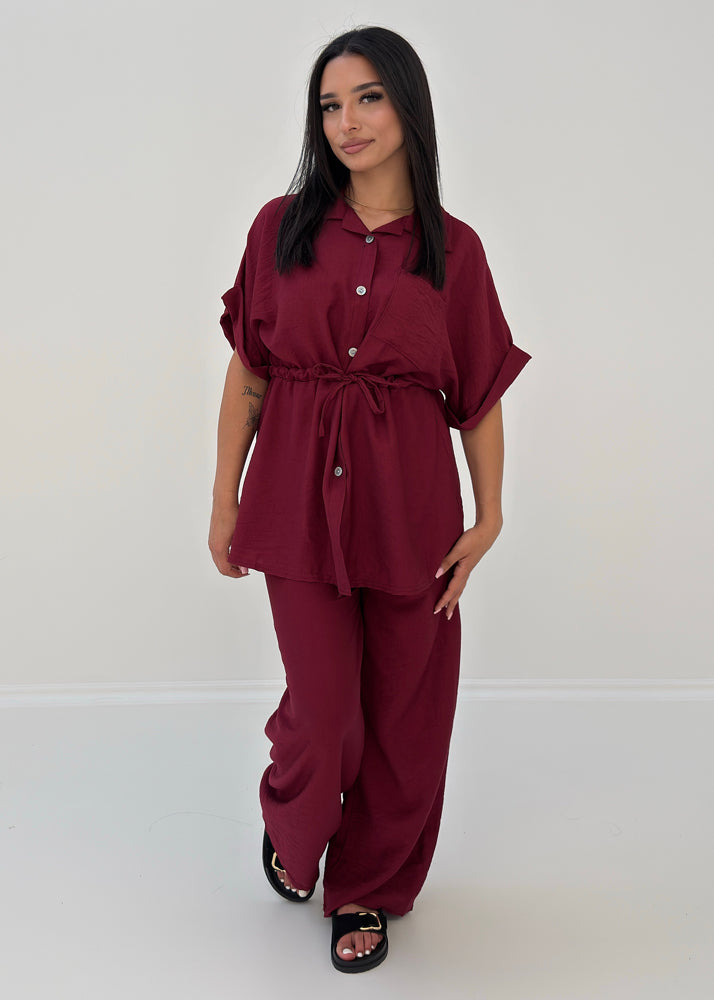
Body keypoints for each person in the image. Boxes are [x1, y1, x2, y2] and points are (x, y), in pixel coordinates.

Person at [209, 25, 531, 973]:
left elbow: (477, 395)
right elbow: (250, 371)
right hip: (295, 505)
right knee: (323, 711)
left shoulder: (455, 251)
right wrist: (224, 500)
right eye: (329, 105)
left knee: (405, 718)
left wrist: (490, 515)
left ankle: (368, 889)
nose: (346, 122)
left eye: (368, 98)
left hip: (412, 515)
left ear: (408, 105)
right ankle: (295, 821)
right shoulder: (281, 228)